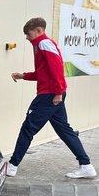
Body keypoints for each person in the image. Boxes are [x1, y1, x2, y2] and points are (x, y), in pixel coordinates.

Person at [7, 17, 96, 179]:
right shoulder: (41, 45)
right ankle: (86, 165)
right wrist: (23, 76)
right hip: (53, 93)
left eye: (28, 34)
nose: (27, 38)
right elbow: (44, 73)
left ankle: (12, 166)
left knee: (28, 128)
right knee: (64, 130)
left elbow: (57, 69)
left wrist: (58, 92)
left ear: (39, 30)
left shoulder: (44, 43)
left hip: (49, 95)